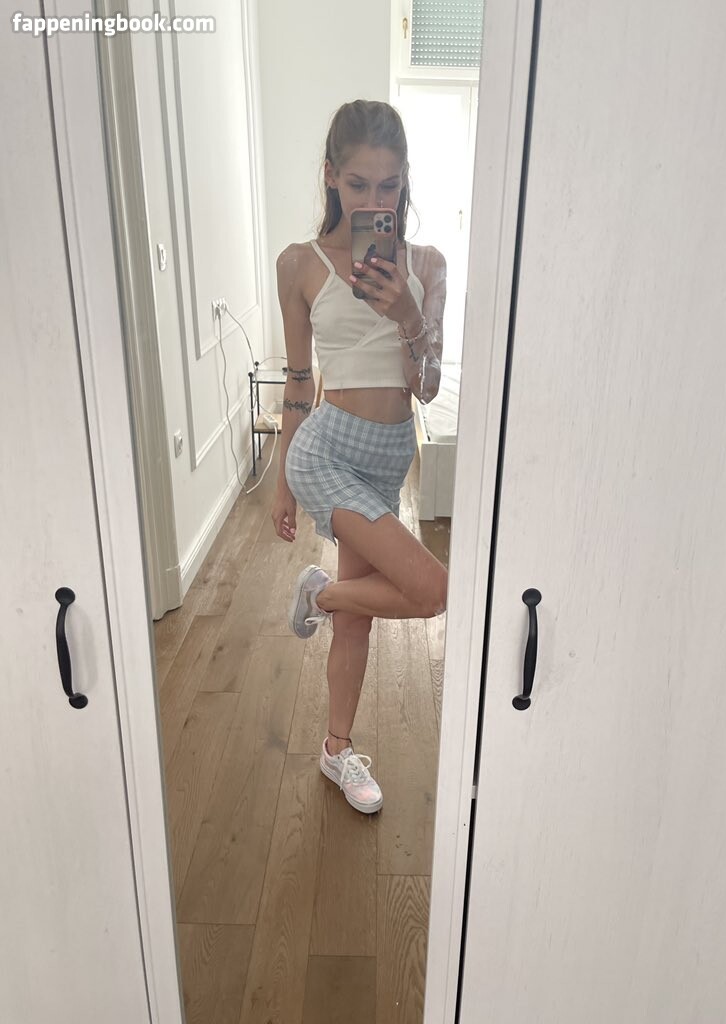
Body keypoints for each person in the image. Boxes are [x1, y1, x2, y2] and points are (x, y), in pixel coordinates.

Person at [271, 99, 448, 815]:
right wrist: (282, 483)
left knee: (358, 615)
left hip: (388, 453)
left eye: (389, 185)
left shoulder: (426, 265)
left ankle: (336, 750)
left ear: (405, 181)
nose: (376, 200)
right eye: (358, 184)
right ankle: (321, 594)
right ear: (330, 177)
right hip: (327, 449)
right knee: (432, 590)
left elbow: (427, 387)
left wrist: (409, 316)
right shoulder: (301, 265)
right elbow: (297, 381)